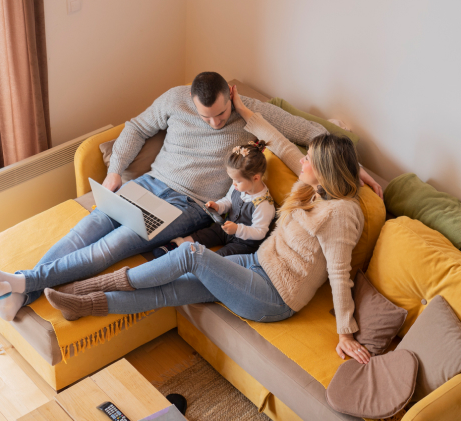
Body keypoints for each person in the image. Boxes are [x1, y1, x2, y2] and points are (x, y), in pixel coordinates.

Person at [42, 86, 374, 364]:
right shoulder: (311, 188)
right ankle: (84, 306)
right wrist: (242, 108)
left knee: (192, 255)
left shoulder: (342, 214)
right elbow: (280, 141)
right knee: (174, 289)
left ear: (327, 170)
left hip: (275, 296)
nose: (302, 160)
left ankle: (82, 288)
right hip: (258, 264)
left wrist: (345, 331)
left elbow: (339, 272)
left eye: (310, 159)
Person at [0, 72, 332, 319]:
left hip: (188, 206)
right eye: (206, 116)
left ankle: (21, 282)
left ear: (232, 94)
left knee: (111, 247)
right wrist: (115, 173)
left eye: (221, 113)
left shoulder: (252, 113)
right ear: (191, 100)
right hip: (147, 184)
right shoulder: (176, 99)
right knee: (85, 231)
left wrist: (354, 165)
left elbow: (311, 131)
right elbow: (136, 127)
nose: (215, 123)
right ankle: (23, 293)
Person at [153, 139, 275, 258]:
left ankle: (197, 265)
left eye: (237, 181)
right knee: (207, 233)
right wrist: (218, 206)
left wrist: (237, 229)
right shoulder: (238, 188)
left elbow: (260, 232)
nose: (234, 184)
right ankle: (178, 244)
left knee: (221, 257)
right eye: (232, 179)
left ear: (256, 178)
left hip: (244, 243)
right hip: (225, 228)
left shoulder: (264, 204)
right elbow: (228, 201)